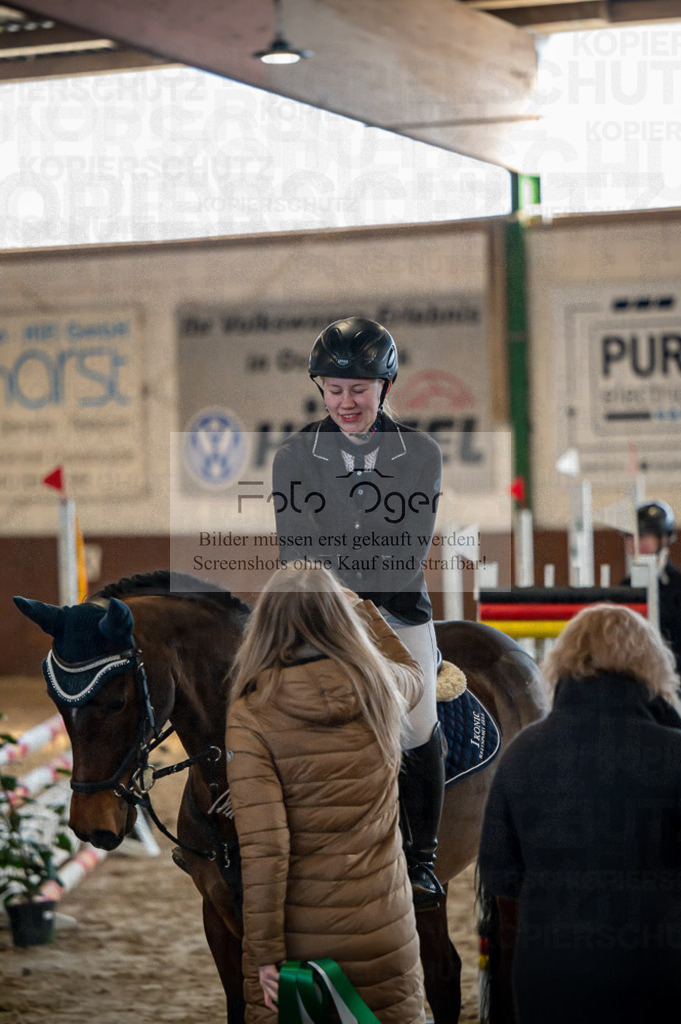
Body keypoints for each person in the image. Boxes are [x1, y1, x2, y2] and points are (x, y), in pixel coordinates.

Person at [271, 315, 446, 909]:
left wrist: (348, 588)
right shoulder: (295, 454)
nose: (346, 401)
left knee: (419, 722)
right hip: (322, 611)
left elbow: (406, 546)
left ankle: (421, 859)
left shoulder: (420, 453)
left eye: (360, 389)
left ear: (384, 388)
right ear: (320, 388)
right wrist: (329, 602)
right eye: (335, 388)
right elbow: (295, 547)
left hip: (398, 612)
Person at [225, 564, 426, 1024]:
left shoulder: (252, 712)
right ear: (340, 618)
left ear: (267, 621)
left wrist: (264, 957)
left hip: (305, 947)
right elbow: (415, 671)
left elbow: (266, 850)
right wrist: (366, 612)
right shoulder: (382, 686)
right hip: (387, 931)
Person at [478, 603, 681, 1024]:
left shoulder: (521, 753)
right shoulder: (674, 752)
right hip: (659, 978)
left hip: (549, 981)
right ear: (649, 662)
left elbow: (501, 882)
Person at [621, 499, 681, 678]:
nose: (635, 544)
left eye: (643, 536)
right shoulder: (624, 588)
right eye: (630, 537)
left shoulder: (678, 585)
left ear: (663, 538)